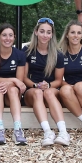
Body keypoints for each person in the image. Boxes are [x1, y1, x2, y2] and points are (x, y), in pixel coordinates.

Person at [19, 18, 70, 146]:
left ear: (52, 34)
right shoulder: (27, 50)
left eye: (48, 32)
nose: (45, 35)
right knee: (38, 93)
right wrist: (35, 85)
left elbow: (59, 80)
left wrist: (48, 85)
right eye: (42, 31)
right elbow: (23, 77)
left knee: (48, 93)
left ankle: (63, 133)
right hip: (32, 89)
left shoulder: (58, 54)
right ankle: (48, 132)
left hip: (51, 88)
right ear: (36, 32)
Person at [0, 24, 27, 145]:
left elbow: (20, 80)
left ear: (14, 37)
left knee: (13, 90)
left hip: (11, 95)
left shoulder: (19, 55)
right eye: (4, 35)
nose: (7, 38)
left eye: (10, 35)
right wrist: (13, 80)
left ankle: (18, 129)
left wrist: (13, 82)